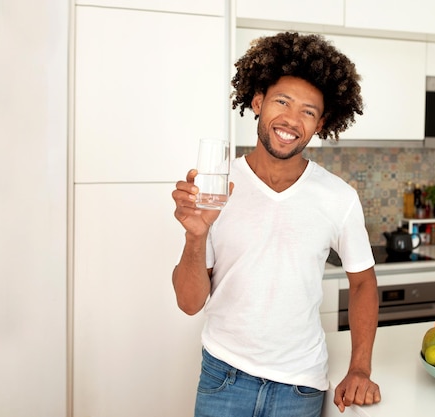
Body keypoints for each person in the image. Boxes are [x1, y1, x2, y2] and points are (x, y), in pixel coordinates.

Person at [171, 31, 380, 417]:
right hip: (223, 377)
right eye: (282, 101)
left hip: (299, 387)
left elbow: (364, 282)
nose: (291, 119)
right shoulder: (217, 189)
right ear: (257, 101)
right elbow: (189, 303)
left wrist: (360, 368)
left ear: (320, 124)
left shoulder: (338, 197)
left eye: (307, 110)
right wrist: (195, 237)